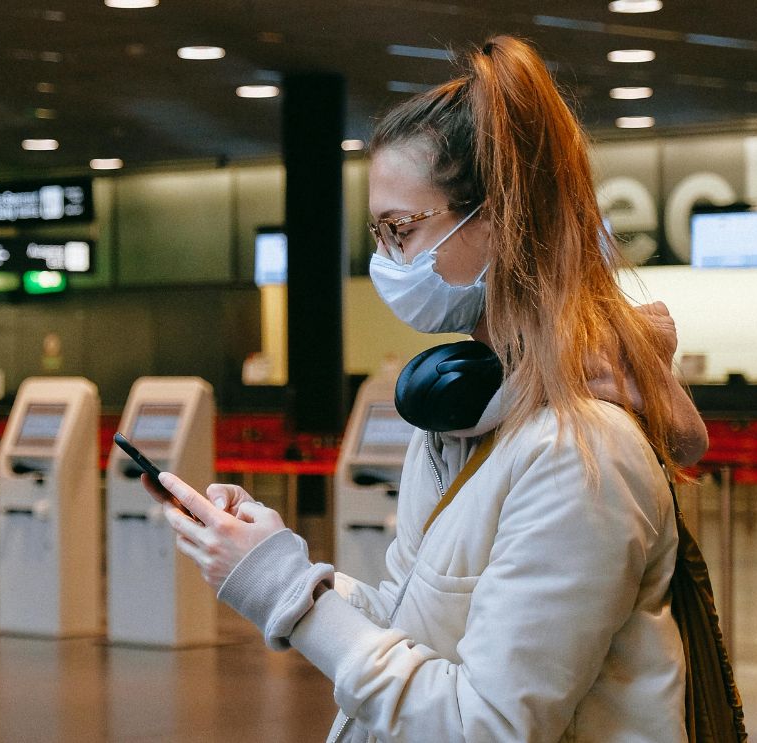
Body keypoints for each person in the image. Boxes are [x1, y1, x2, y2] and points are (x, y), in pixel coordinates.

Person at [146, 35, 706, 742]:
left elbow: (486, 726)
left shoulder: (581, 453)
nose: (387, 261)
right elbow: (411, 619)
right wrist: (273, 561)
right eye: (377, 233)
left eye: (400, 230)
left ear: (498, 221)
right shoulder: (465, 414)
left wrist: (290, 595)